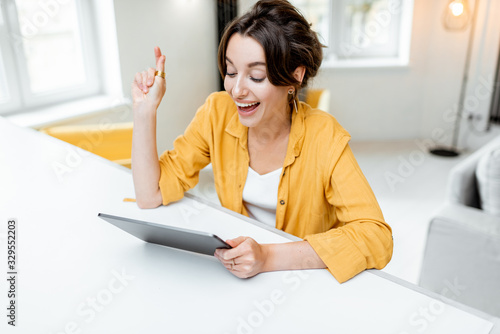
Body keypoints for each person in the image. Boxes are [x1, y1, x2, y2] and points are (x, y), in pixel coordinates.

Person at [131, 0, 393, 283]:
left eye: (256, 76)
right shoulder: (217, 112)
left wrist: (267, 257)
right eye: (231, 72)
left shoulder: (324, 136)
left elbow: (376, 236)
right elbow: (150, 195)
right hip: (234, 274)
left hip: (299, 279)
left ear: (295, 75)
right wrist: (145, 112)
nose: (237, 90)